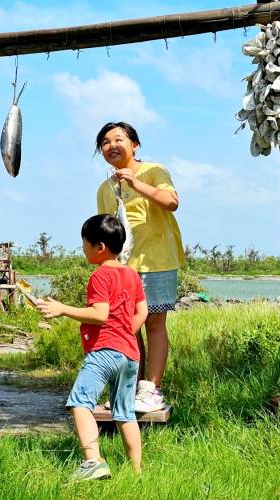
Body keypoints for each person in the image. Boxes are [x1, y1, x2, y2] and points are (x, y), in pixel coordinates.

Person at [36, 214, 148, 480]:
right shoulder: (131, 274)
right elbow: (142, 311)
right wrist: (125, 334)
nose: (83, 248)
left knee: (80, 403)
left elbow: (100, 315)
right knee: (125, 413)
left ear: (100, 247)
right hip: (130, 354)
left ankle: (93, 462)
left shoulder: (100, 276)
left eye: (85, 243)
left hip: (104, 352)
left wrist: (62, 309)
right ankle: (136, 472)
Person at [95, 121, 184, 413]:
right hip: (124, 268)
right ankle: (130, 389)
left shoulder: (154, 171)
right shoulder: (105, 189)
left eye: (118, 139)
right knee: (127, 329)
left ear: (135, 145)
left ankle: (151, 390)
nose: (111, 146)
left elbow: (172, 202)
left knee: (155, 325)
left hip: (157, 261)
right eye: (105, 142)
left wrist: (135, 183)